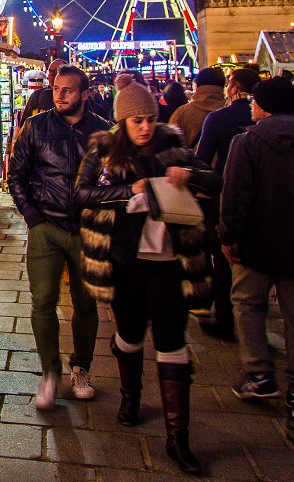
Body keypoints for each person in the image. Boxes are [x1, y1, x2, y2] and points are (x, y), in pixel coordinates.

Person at [75, 82, 218, 476]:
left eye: (151, 119)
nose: (145, 127)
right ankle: (130, 395)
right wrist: (127, 192)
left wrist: (188, 174)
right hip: (125, 261)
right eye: (138, 120)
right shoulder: (103, 151)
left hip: (170, 262)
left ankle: (178, 437)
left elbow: (214, 180)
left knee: (173, 342)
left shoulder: (172, 145)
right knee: (130, 333)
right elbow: (82, 194)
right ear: (123, 121)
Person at [219, 77, 294, 421]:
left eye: (255, 101)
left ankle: (258, 373)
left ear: (264, 105)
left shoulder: (246, 143)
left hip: (256, 244)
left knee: (247, 305)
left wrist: (228, 236)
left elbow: (235, 196)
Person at [9, 65, 108, 408]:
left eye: (68, 90)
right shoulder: (36, 127)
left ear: (84, 93)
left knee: (86, 302)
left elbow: (112, 179)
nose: (60, 95)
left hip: (86, 228)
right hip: (47, 226)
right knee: (43, 301)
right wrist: (32, 216)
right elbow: (16, 175)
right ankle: (50, 372)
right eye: (56, 89)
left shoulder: (101, 131)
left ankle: (81, 366)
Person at [192, 66, 262, 341]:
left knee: (222, 259)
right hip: (262, 198)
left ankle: (225, 318)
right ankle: (256, 323)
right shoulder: (265, 118)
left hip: (224, 193)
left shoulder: (219, 119)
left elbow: (202, 157)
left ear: (233, 87)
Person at [169, 67, 227, 149]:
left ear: (197, 85)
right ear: (222, 86)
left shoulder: (182, 113)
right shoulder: (231, 113)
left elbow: (173, 148)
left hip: (194, 160)